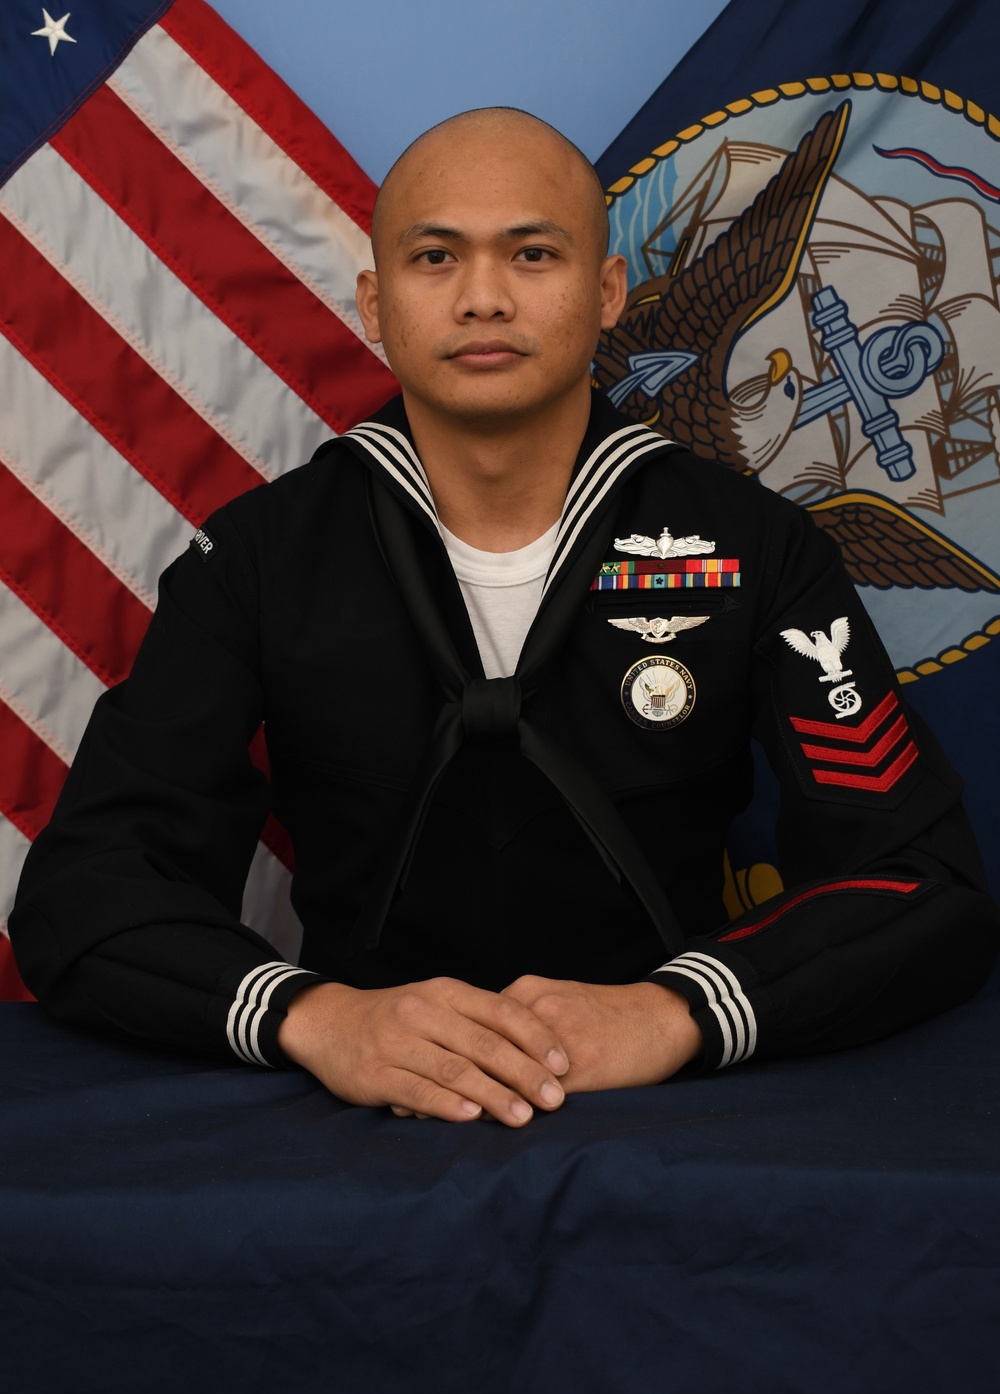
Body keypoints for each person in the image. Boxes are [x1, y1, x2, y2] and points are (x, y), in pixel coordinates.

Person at [10, 108, 999, 1129]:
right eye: (435, 257)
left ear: (607, 293)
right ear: (375, 303)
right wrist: (314, 1017)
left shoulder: (758, 547)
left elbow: (922, 879)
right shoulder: (260, 557)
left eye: (532, 253)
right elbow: (85, 887)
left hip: (674, 1107)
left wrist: (678, 1011)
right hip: (353, 1116)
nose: (483, 297)